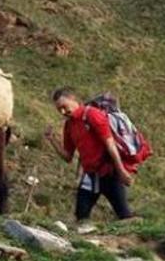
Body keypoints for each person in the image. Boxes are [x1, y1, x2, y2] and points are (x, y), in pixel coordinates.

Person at [43, 87, 133, 231]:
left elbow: (110, 145)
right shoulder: (69, 125)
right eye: (59, 109)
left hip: (109, 172)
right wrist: (52, 139)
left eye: (64, 107)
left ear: (74, 100)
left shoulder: (93, 115)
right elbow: (67, 156)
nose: (62, 112)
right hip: (90, 176)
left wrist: (121, 171)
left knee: (124, 214)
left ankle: (140, 242)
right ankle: (87, 245)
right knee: (81, 216)